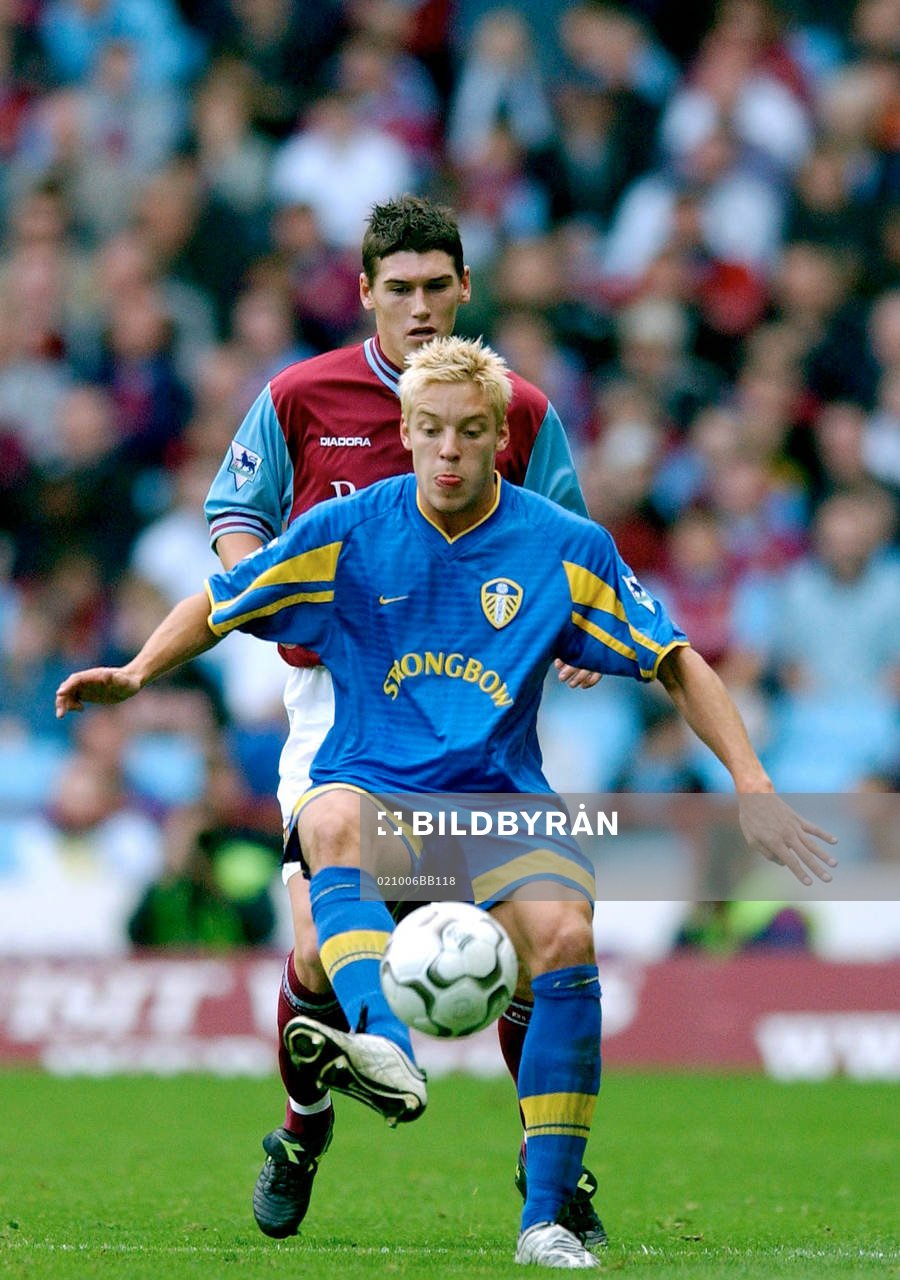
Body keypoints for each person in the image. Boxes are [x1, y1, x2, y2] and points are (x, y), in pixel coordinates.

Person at [57, 336, 838, 1269]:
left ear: (499, 434)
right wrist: (138, 672)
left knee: (565, 937)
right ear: (406, 431)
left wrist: (752, 785)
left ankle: (545, 1216)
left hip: (500, 806)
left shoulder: (564, 548)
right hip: (374, 788)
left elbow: (677, 660)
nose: (449, 450)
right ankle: (384, 1046)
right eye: (430, 431)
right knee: (332, 820)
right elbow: (222, 601)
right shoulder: (349, 531)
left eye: (471, 431)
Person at [203, 193, 604, 1246]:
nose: (421, 308)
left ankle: (550, 1162)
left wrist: (578, 637)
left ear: (466, 288)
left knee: (533, 929)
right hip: (335, 700)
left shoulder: (515, 406)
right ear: (366, 290)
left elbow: (568, 536)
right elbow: (234, 516)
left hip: (473, 705)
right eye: (400, 289)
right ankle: (302, 1125)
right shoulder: (299, 394)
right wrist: (264, 588)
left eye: (438, 287)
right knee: (308, 954)